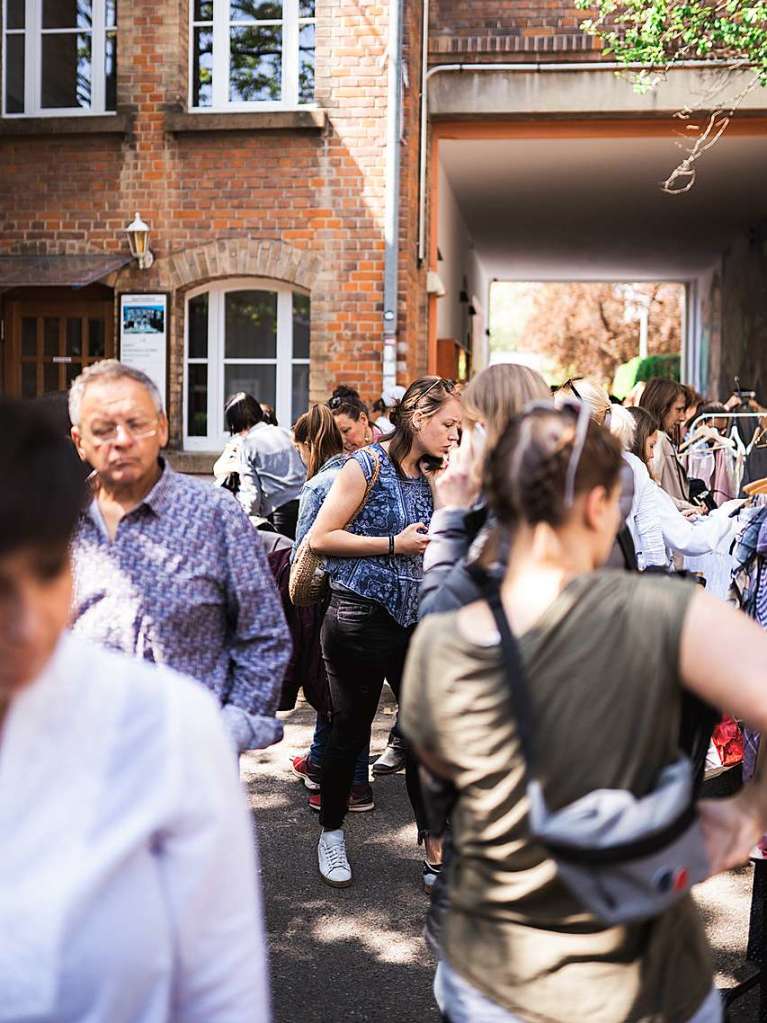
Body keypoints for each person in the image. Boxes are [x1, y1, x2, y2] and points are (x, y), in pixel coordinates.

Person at [402, 402, 767, 1023]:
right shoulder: (673, 618)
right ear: (602, 506)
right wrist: (743, 816)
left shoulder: (440, 643)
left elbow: (442, 785)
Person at [0, 396, 271, 1022]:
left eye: (45, 571)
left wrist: (238, 724)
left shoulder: (169, 727)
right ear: (80, 439)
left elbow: (222, 992)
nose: (25, 621)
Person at [68, 361, 290, 754]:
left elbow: (264, 636)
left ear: (163, 428)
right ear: (79, 441)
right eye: (103, 429)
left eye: (137, 424)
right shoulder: (56, 525)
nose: (121, 440)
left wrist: (230, 729)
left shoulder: (215, 514)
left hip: (192, 764)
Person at [309, 376, 462, 887]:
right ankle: (331, 834)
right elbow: (322, 537)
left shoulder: (433, 474)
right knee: (350, 731)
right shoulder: (366, 465)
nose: (453, 436)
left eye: (458, 427)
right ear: (418, 419)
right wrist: (393, 544)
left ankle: (434, 845)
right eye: (448, 425)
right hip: (358, 614)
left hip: (415, 619)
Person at [289, 404, 373, 811]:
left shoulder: (320, 484)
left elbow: (304, 549)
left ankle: (354, 784)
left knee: (338, 691)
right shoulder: (365, 471)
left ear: (309, 444)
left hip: (332, 595)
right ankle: (323, 762)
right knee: (352, 689)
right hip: (369, 590)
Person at [419, 364, 553, 617]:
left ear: (482, 428)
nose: (457, 441)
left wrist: (451, 515)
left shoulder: (511, 511)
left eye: (463, 429)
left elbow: (436, 615)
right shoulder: (566, 490)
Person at [226, 392, 306, 539]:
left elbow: (252, 497)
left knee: (283, 559)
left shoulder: (247, 445)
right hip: (306, 504)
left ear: (236, 424)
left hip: (280, 514)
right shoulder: (285, 432)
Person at [639, 377, 695, 508]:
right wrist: (686, 506)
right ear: (661, 407)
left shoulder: (653, 438)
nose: (682, 417)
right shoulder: (658, 440)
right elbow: (653, 491)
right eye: (678, 410)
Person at [328, 389, 384, 453]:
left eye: (346, 430)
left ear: (363, 419)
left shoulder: (386, 450)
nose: (342, 440)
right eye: (336, 434)